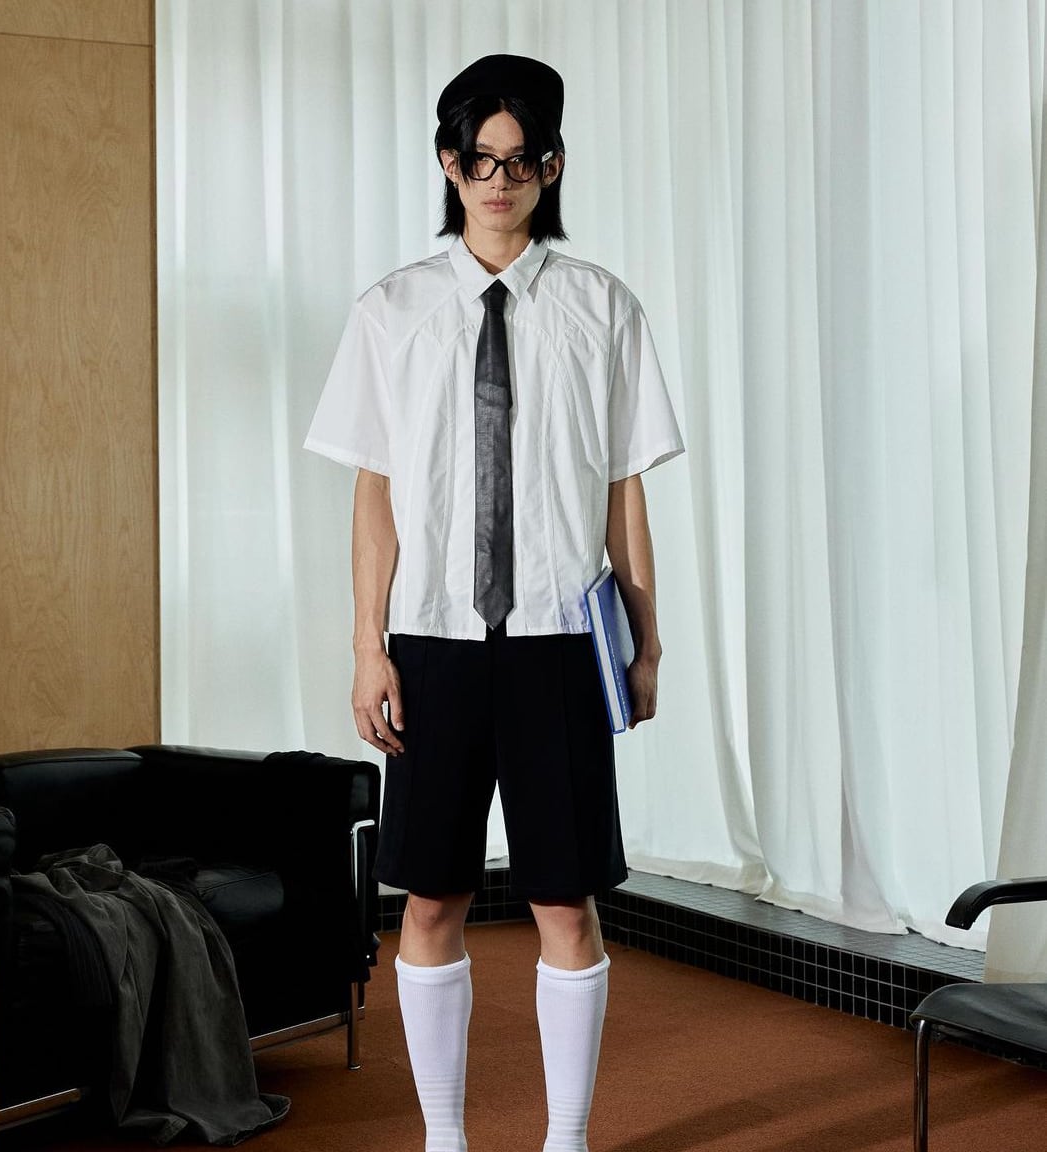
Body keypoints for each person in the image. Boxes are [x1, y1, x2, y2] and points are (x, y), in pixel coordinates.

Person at [305, 53, 683, 1152]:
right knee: (430, 900)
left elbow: (624, 492)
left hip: (561, 643)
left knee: (566, 901)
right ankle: (446, 1138)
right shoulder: (392, 312)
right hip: (434, 643)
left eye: (521, 162)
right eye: (480, 159)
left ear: (552, 167)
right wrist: (368, 647)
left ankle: (567, 1139)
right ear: (449, 163)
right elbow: (375, 499)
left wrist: (647, 643)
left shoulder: (603, 308)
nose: (500, 181)